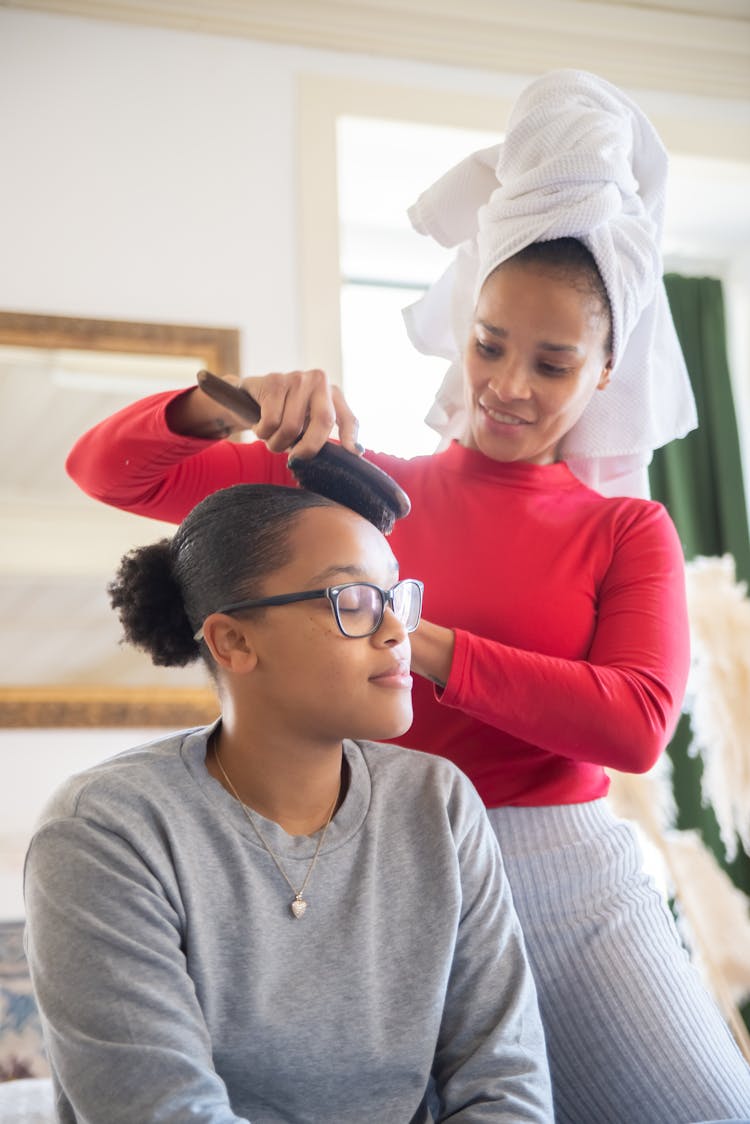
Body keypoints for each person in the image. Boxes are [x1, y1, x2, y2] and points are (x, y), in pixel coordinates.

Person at [64, 69, 750, 1123]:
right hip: (380, 860)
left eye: (553, 362)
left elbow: (634, 725)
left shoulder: (625, 529)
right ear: (460, 323)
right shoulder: (348, 494)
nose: (509, 384)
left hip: (565, 881)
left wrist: (409, 637)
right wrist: (223, 403)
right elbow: (112, 473)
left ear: (606, 370)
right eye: (489, 343)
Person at [23, 482, 553, 1123]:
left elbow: (505, 1083)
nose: (396, 631)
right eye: (352, 600)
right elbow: (168, 1113)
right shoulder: (105, 829)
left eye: (394, 598)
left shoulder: (437, 803)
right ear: (233, 643)